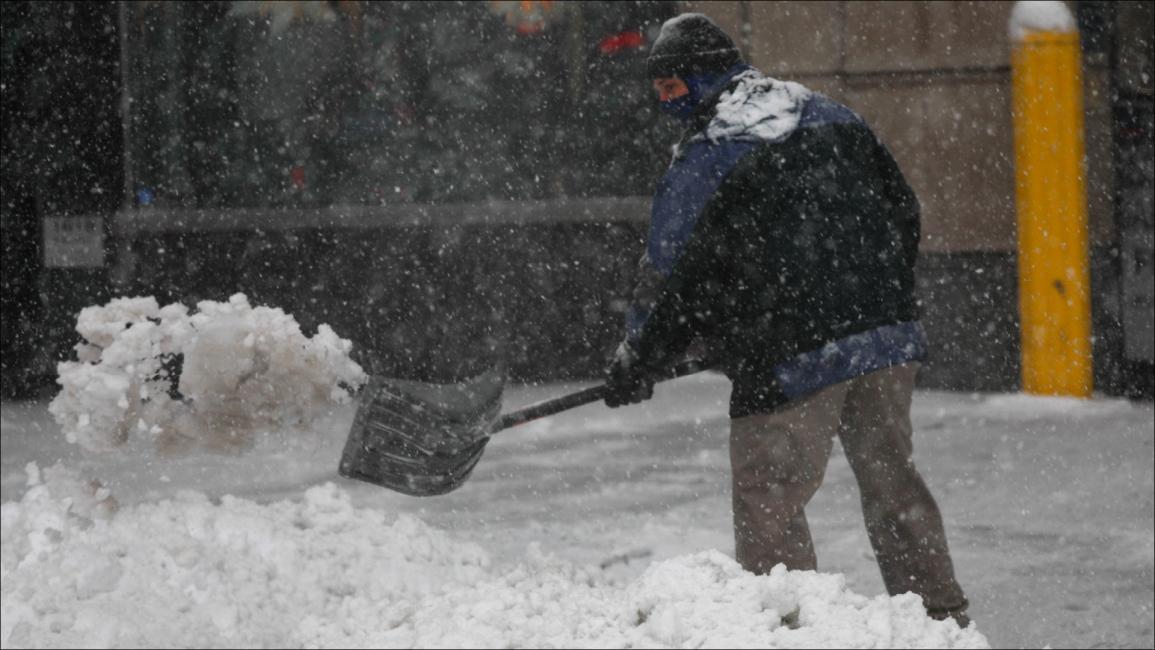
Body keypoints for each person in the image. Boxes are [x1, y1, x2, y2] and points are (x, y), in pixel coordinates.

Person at [603, 13, 972, 627]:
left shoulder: (713, 148)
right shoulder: (827, 111)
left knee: (768, 497)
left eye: (672, 88)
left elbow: (672, 272)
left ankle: (792, 631)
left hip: (791, 354)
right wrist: (877, 297)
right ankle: (942, 619)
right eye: (658, 91)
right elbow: (902, 207)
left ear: (705, 77)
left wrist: (639, 357)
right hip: (883, 338)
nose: (666, 104)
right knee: (893, 486)